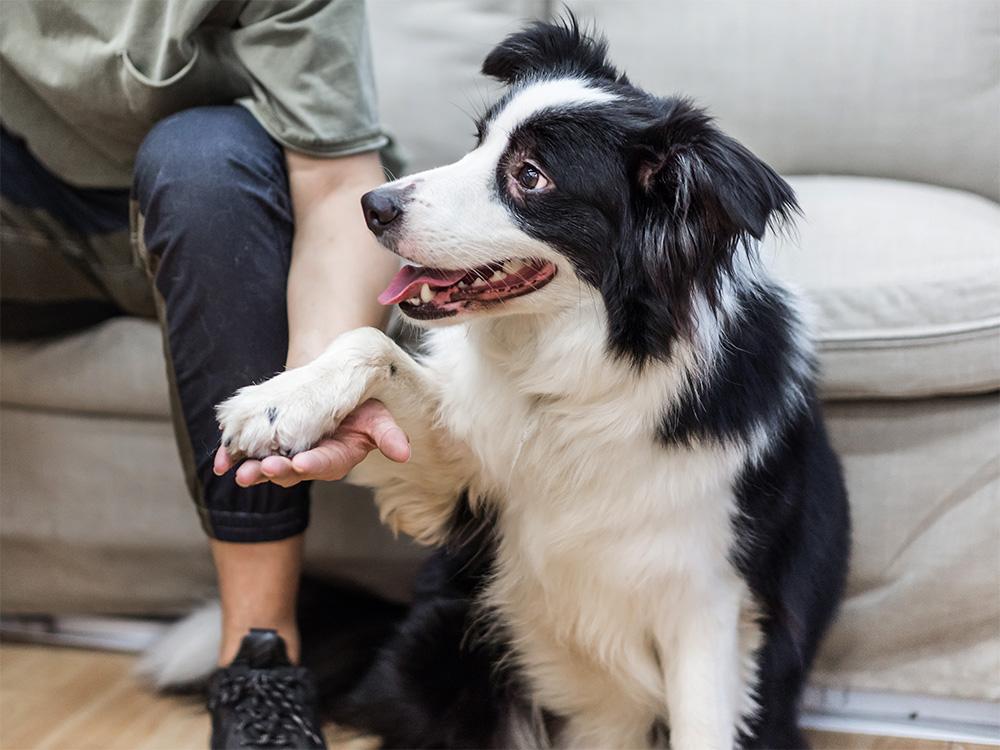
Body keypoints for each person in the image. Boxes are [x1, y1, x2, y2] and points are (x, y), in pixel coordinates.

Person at [1, 2, 408, 747]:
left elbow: (332, 180)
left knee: (203, 157)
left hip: (230, 208)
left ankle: (259, 659)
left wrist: (312, 392)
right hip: (30, 225)